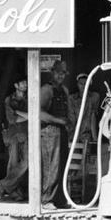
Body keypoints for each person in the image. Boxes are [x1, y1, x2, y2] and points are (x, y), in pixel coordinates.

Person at [39, 60, 76, 208]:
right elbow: (39, 113)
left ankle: (60, 200)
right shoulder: (46, 90)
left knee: (62, 165)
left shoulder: (64, 90)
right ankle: (47, 200)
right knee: (51, 166)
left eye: (63, 73)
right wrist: (58, 120)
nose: (60, 76)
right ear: (52, 72)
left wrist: (69, 124)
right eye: (58, 73)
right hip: (49, 132)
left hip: (62, 131)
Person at [0, 73, 29, 200]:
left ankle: (4, 184)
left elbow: (34, 114)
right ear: (16, 85)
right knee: (13, 164)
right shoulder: (9, 100)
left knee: (26, 163)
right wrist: (28, 116)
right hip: (13, 134)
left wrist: (19, 112)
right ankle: (15, 192)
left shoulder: (30, 97)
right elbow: (12, 119)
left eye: (26, 82)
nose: (25, 85)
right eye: (23, 83)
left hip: (27, 133)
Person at [69, 72, 99, 143]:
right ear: (77, 84)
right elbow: (71, 118)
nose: (83, 86)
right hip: (73, 135)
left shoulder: (94, 97)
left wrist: (95, 138)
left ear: (89, 84)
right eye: (81, 84)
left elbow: (93, 117)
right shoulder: (72, 98)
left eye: (85, 83)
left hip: (87, 135)